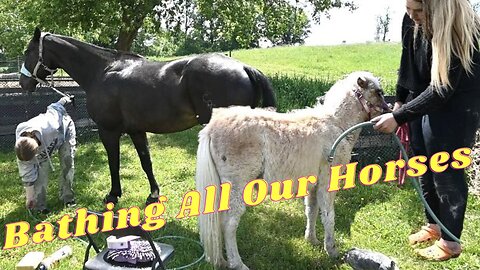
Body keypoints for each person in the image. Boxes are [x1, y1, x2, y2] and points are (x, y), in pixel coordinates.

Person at [372, 0, 480, 261]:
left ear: (437, 8)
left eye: (419, 11)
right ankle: (433, 225)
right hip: (423, 96)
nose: (413, 16)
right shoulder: (412, 19)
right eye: (409, 9)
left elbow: (443, 88)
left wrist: (398, 117)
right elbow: (407, 60)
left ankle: (450, 243)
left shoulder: (463, 30)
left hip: (459, 106)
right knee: (422, 163)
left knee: (446, 169)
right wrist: (400, 98)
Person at [15, 96, 76, 214]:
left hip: (65, 131)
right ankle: (39, 205)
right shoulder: (21, 147)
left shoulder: (49, 124)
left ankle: (67, 198)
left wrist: (64, 100)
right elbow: (27, 171)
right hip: (46, 145)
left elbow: (54, 108)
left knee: (67, 164)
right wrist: (30, 196)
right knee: (41, 172)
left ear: (37, 148)